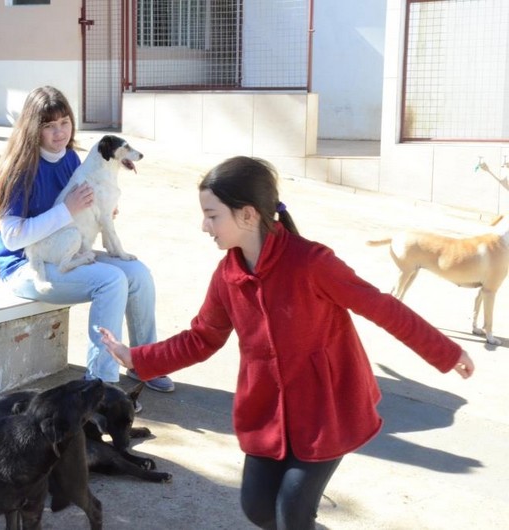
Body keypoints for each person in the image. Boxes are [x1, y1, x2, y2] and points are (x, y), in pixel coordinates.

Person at [99, 156, 475, 529]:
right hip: (267, 414)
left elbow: (381, 307)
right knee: (257, 508)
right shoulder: (227, 275)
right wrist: (137, 357)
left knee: (293, 512)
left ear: (248, 215)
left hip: (324, 411)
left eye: (212, 215)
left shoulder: (311, 262)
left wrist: (446, 351)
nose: (204, 225)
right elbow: (202, 338)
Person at [0, 85, 174, 395]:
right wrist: (66, 210)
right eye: (49, 125)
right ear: (33, 128)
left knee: (138, 274)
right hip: (27, 267)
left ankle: (144, 362)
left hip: (69, 251)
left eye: (64, 122)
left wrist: (101, 211)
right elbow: (13, 238)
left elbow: (83, 212)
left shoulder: (72, 158)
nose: (59, 132)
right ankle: (100, 385)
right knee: (111, 281)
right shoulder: (18, 169)